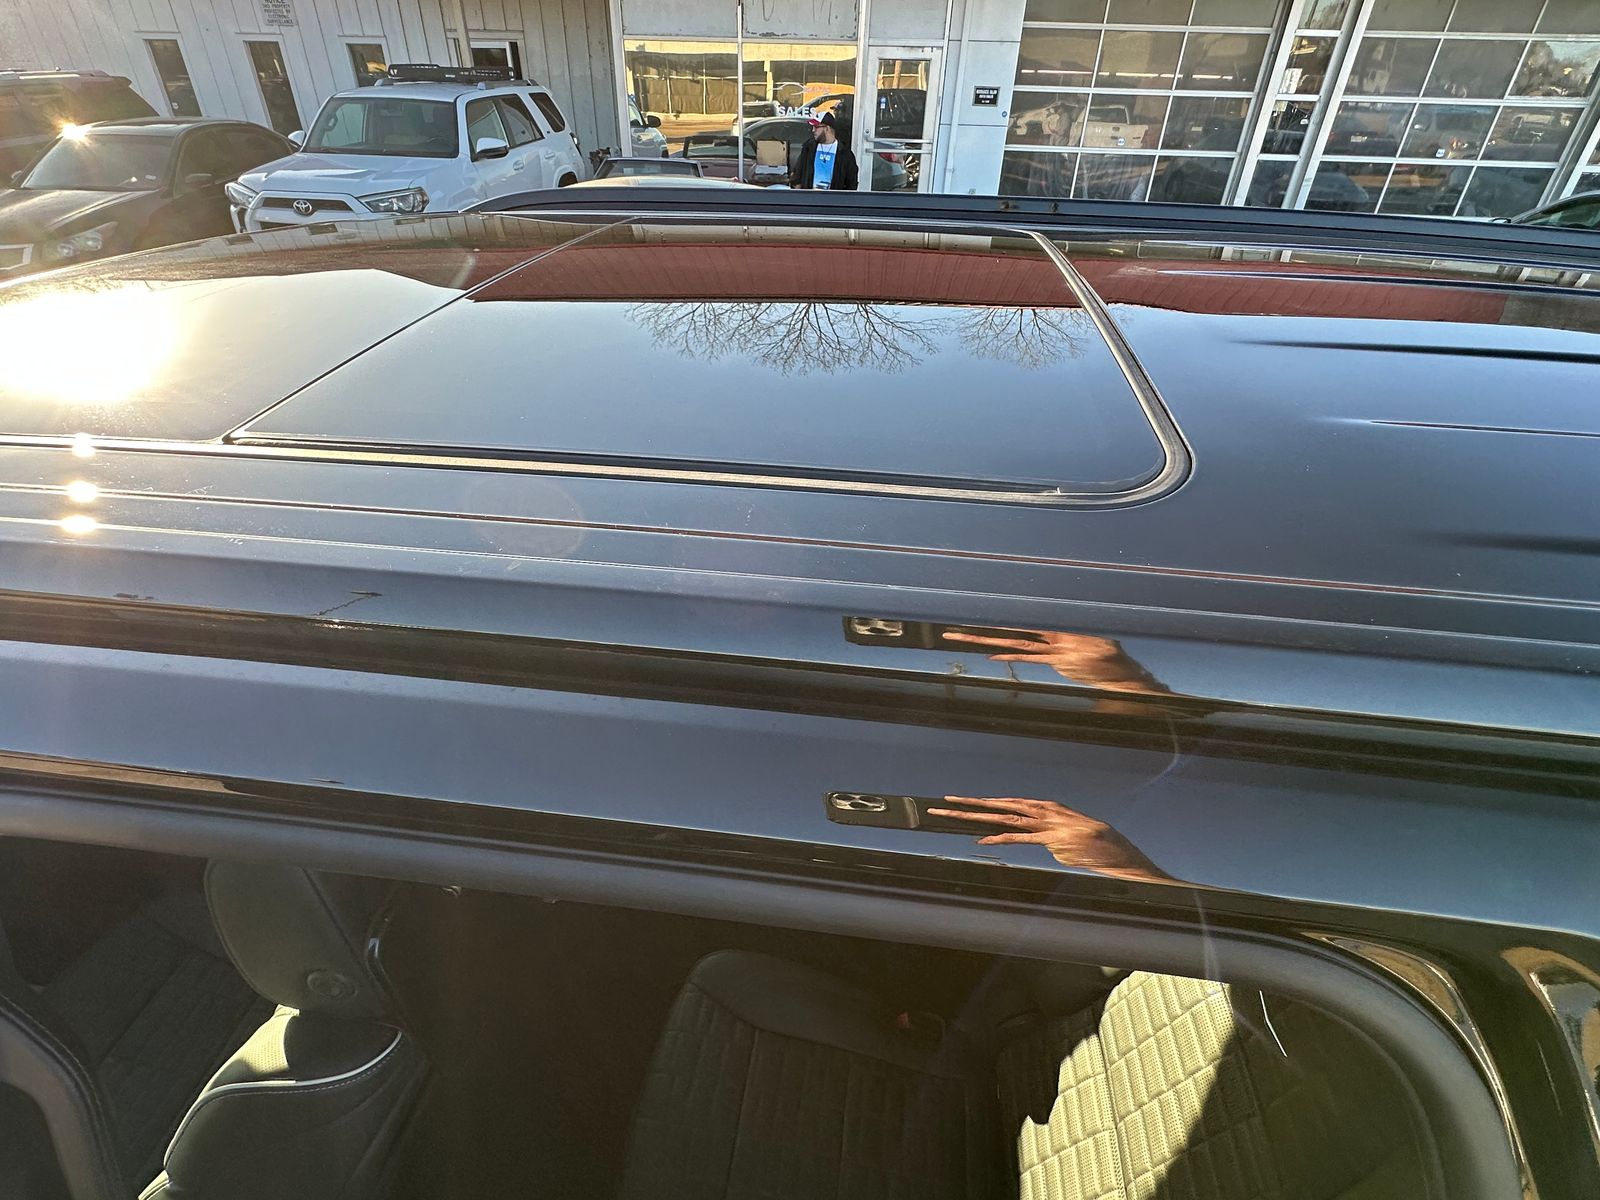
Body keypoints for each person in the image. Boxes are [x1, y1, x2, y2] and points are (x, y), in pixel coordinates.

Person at [791, 112, 858, 190]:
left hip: (832, 197)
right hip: (810, 196)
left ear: (827, 128)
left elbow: (851, 184)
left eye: (816, 127)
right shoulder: (809, 148)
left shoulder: (845, 154)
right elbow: (798, 174)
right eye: (812, 127)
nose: (813, 130)